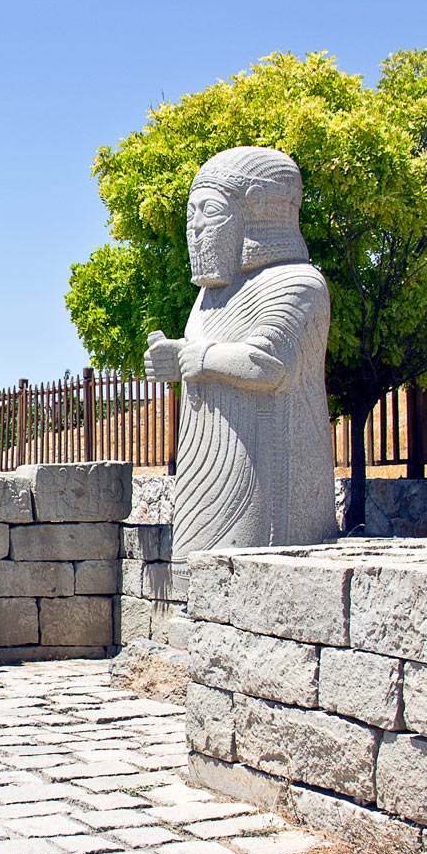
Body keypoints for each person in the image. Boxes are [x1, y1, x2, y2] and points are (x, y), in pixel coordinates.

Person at [144, 146, 336, 558]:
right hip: (203, 459)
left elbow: (269, 364)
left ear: (257, 213)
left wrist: (197, 357)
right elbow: (194, 356)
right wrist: (172, 358)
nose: (194, 229)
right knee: (193, 573)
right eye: (190, 215)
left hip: (265, 468)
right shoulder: (208, 298)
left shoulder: (297, 283)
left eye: (209, 212)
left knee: (244, 567)